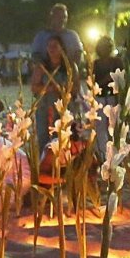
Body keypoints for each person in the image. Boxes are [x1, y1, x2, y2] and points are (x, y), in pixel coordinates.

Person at [30, 34, 78, 174]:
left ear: (61, 48)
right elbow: (34, 87)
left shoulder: (69, 67)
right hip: (45, 107)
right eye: (49, 46)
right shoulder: (42, 67)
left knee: (62, 138)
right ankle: (45, 170)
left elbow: (76, 88)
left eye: (55, 46)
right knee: (44, 138)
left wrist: (63, 90)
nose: (51, 49)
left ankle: (63, 169)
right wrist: (50, 88)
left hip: (63, 109)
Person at [91, 37, 124, 160]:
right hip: (100, 97)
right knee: (100, 127)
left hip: (113, 97)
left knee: (114, 126)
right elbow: (94, 81)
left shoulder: (117, 62)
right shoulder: (96, 63)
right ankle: (102, 154)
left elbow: (121, 78)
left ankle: (115, 154)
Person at [31, 3, 84, 70]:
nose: (62, 20)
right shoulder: (41, 36)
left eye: (64, 17)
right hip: (46, 72)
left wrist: (71, 68)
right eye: (59, 16)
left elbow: (78, 54)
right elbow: (35, 55)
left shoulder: (73, 36)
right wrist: (43, 66)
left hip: (69, 71)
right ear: (52, 17)